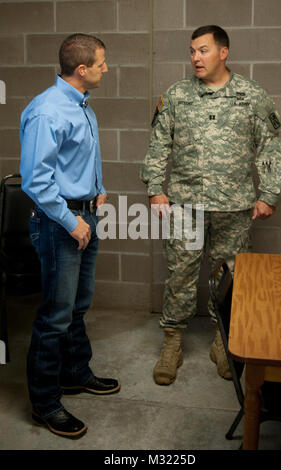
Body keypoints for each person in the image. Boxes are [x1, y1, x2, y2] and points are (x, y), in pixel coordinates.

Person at [140, 25, 281, 386]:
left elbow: (269, 147)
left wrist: (268, 193)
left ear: (224, 52)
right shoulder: (176, 96)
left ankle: (224, 341)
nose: (195, 58)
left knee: (229, 278)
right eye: (191, 51)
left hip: (234, 208)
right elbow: (159, 145)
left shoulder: (252, 95)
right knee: (180, 275)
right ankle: (172, 343)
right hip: (185, 207)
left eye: (203, 50)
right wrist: (156, 189)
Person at [20, 33, 120, 439]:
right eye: (101, 63)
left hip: (84, 215)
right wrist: (71, 220)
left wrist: (95, 188)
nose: (106, 69)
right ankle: (45, 403)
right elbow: (36, 181)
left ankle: (75, 373)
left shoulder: (81, 106)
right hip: (60, 224)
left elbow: (73, 162)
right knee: (55, 317)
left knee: (78, 305)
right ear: (82, 70)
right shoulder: (47, 111)